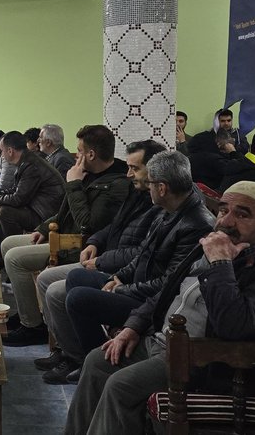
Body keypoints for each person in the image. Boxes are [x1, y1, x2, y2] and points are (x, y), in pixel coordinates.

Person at [64, 181, 255, 434]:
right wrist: (133, 327)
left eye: (242, 214)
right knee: (97, 361)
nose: (226, 221)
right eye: (223, 210)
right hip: (165, 342)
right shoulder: (217, 245)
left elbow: (233, 327)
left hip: (208, 361)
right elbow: (166, 290)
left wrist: (221, 264)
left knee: (121, 385)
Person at [55, 151, 214, 384]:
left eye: (150, 183)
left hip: (153, 302)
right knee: (78, 277)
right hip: (137, 285)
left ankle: (95, 360)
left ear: (162, 188)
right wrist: (120, 277)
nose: (145, 186)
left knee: (78, 299)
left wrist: (122, 290)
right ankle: (87, 355)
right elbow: (143, 253)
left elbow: (171, 284)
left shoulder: (196, 224)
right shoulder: (169, 210)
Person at [33, 140, 166, 385]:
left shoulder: (155, 201)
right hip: (110, 261)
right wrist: (95, 241)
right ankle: (67, 350)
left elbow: (88, 223)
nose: (128, 174)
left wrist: (74, 184)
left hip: (121, 271)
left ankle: (81, 359)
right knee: (50, 281)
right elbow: (110, 228)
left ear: (155, 170)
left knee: (55, 290)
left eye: (134, 168)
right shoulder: (134, 191)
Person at [0, 125, 130, 348]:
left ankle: (32, 326)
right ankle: (26, 312)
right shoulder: (89, 174)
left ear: (91, 154)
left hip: (76, 244)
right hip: (59, 232)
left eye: (79, 151)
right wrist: (42, 229)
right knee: (8, 243)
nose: (76, 155)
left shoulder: (115, 184)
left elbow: (87, 226)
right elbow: (65, 211)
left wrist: (74, 185)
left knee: (15, 257)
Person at [0, 131, 65, 250]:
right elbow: (16, 189)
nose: (2, 155)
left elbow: (18, 198)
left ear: (10, 151)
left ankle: (15, 250)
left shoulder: (31, 165)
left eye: (3, 151)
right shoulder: (26, 160)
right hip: (37, 208)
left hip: (47, 215)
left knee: (6, 212)